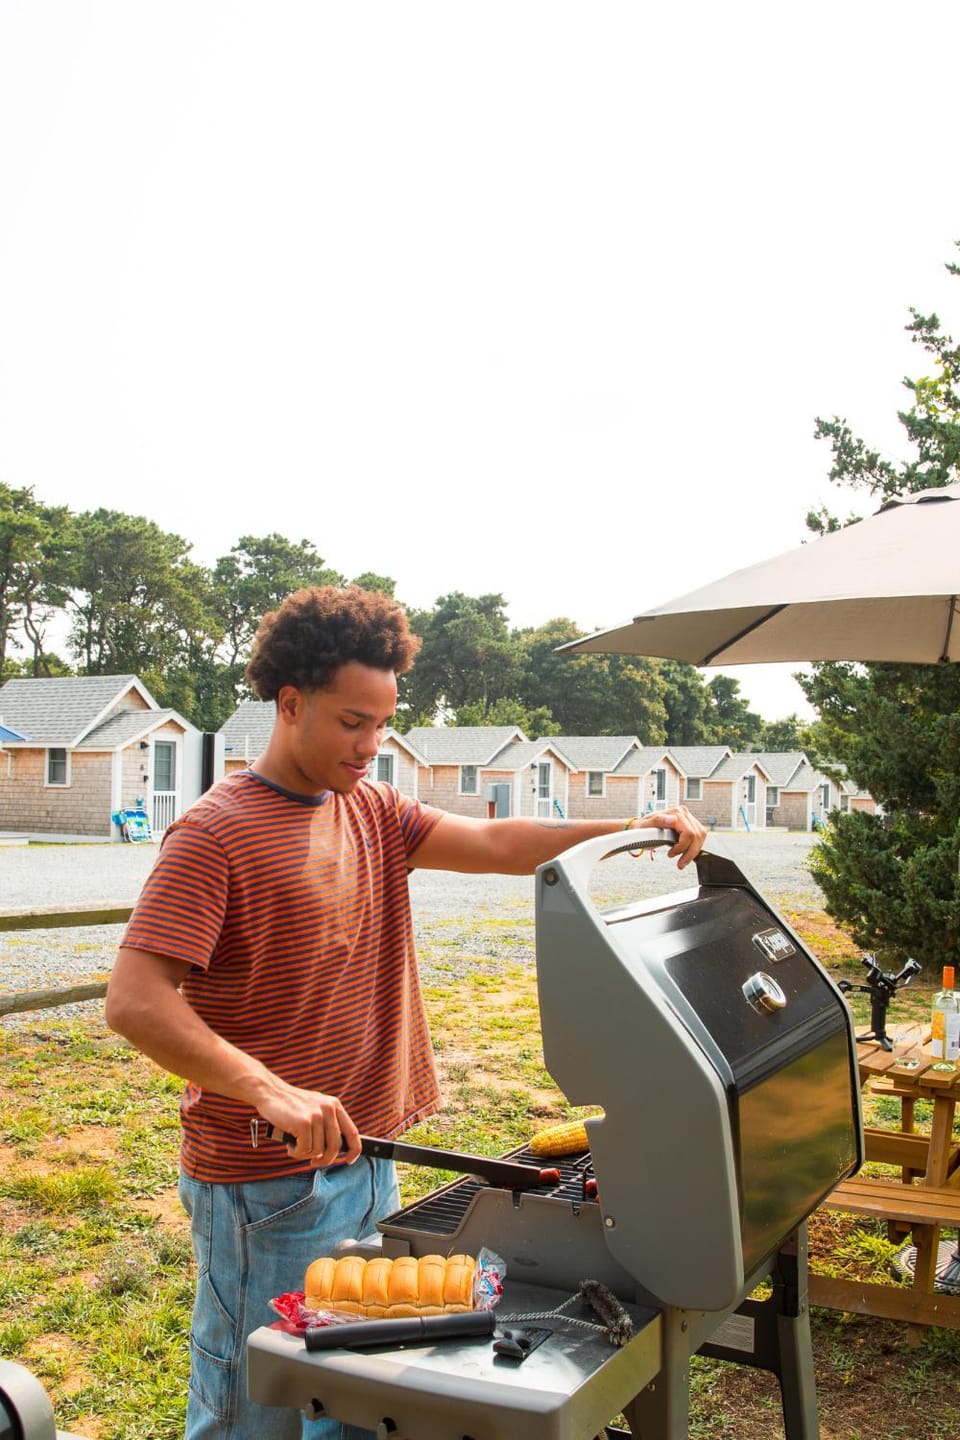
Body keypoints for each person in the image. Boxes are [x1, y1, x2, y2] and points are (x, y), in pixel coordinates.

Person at [105, 585, 706, 1440]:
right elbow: (134, 999)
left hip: (369, 1158)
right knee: (256, 1412)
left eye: (384, 723)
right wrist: (270, 1091)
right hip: (268, 1184)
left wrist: (628, 829)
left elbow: (498, 843)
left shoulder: (373, 809)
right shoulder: (215, 834)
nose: (372, 745)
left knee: (352, 1398)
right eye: (353, 722)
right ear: (289, 703)